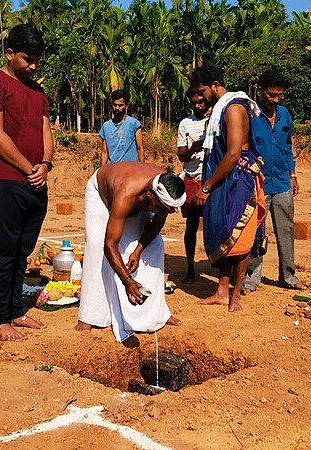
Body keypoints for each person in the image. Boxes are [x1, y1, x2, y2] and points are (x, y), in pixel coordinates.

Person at [0, 24, 53, 341]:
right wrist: (28, 167)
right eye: (26, 59)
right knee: (5, 249)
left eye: (36, 60)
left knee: (23, 250)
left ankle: (16, 311)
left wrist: (44, 165)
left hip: (35, 181)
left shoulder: (38, 92)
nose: (32, 66)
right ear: (9, 54)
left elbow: (47, 132)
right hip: (2, 179)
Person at [75, 162, 184, 342]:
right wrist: (128, 280)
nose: (163, 213)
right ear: (149, 194)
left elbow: (157, 222)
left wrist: (138, 250)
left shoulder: (164, 188)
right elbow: (110, 245)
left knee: (155, 245)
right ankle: (90, 315)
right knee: (96, 247)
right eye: (161, 208)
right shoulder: (126, 192)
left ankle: (157, 314)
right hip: (102, 197)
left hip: (138, 202)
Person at [190, 65, 268, 312]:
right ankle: (221, 292)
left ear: (215, 85)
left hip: (237, 180)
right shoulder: (219, 111)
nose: (200, 97)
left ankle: (236, 295)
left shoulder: (233, 109)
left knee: (240, 237)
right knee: (224, 234)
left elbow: (233, 154)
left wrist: (207, 187)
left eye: (202, 91)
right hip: (223, 180)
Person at [243, 70, 306, 294]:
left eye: (279, 96)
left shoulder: (285, 115)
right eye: (271, 95)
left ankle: (288, 276)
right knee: (256, 232)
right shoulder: (248, 116)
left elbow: (288, 147)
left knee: (286, 230)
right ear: (260, 91)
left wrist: (293, 175)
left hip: (282, 184)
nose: (275, 100)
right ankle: (251, 278)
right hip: (257, 184)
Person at [176, 88, 210, 284]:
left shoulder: (214, 119)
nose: (198, 105)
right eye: (195, 102)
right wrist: (193, 148)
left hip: (210, 177)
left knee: (215, 222)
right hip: (191, 176)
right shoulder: (185, 124)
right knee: (191, 224)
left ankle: (220, 267)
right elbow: (181, 155)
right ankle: (190, 268)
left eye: (201, 101)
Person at [98, 89, 144, 166]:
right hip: (112, 170)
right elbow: (104, 152)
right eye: (114, 105)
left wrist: (142, 169)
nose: (117, 108)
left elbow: (140, 149)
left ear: (126, 106)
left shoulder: (134, 124)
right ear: (111, 105)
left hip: (130, 169)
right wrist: (101, 172)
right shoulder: (106, 126)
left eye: (120, 105)